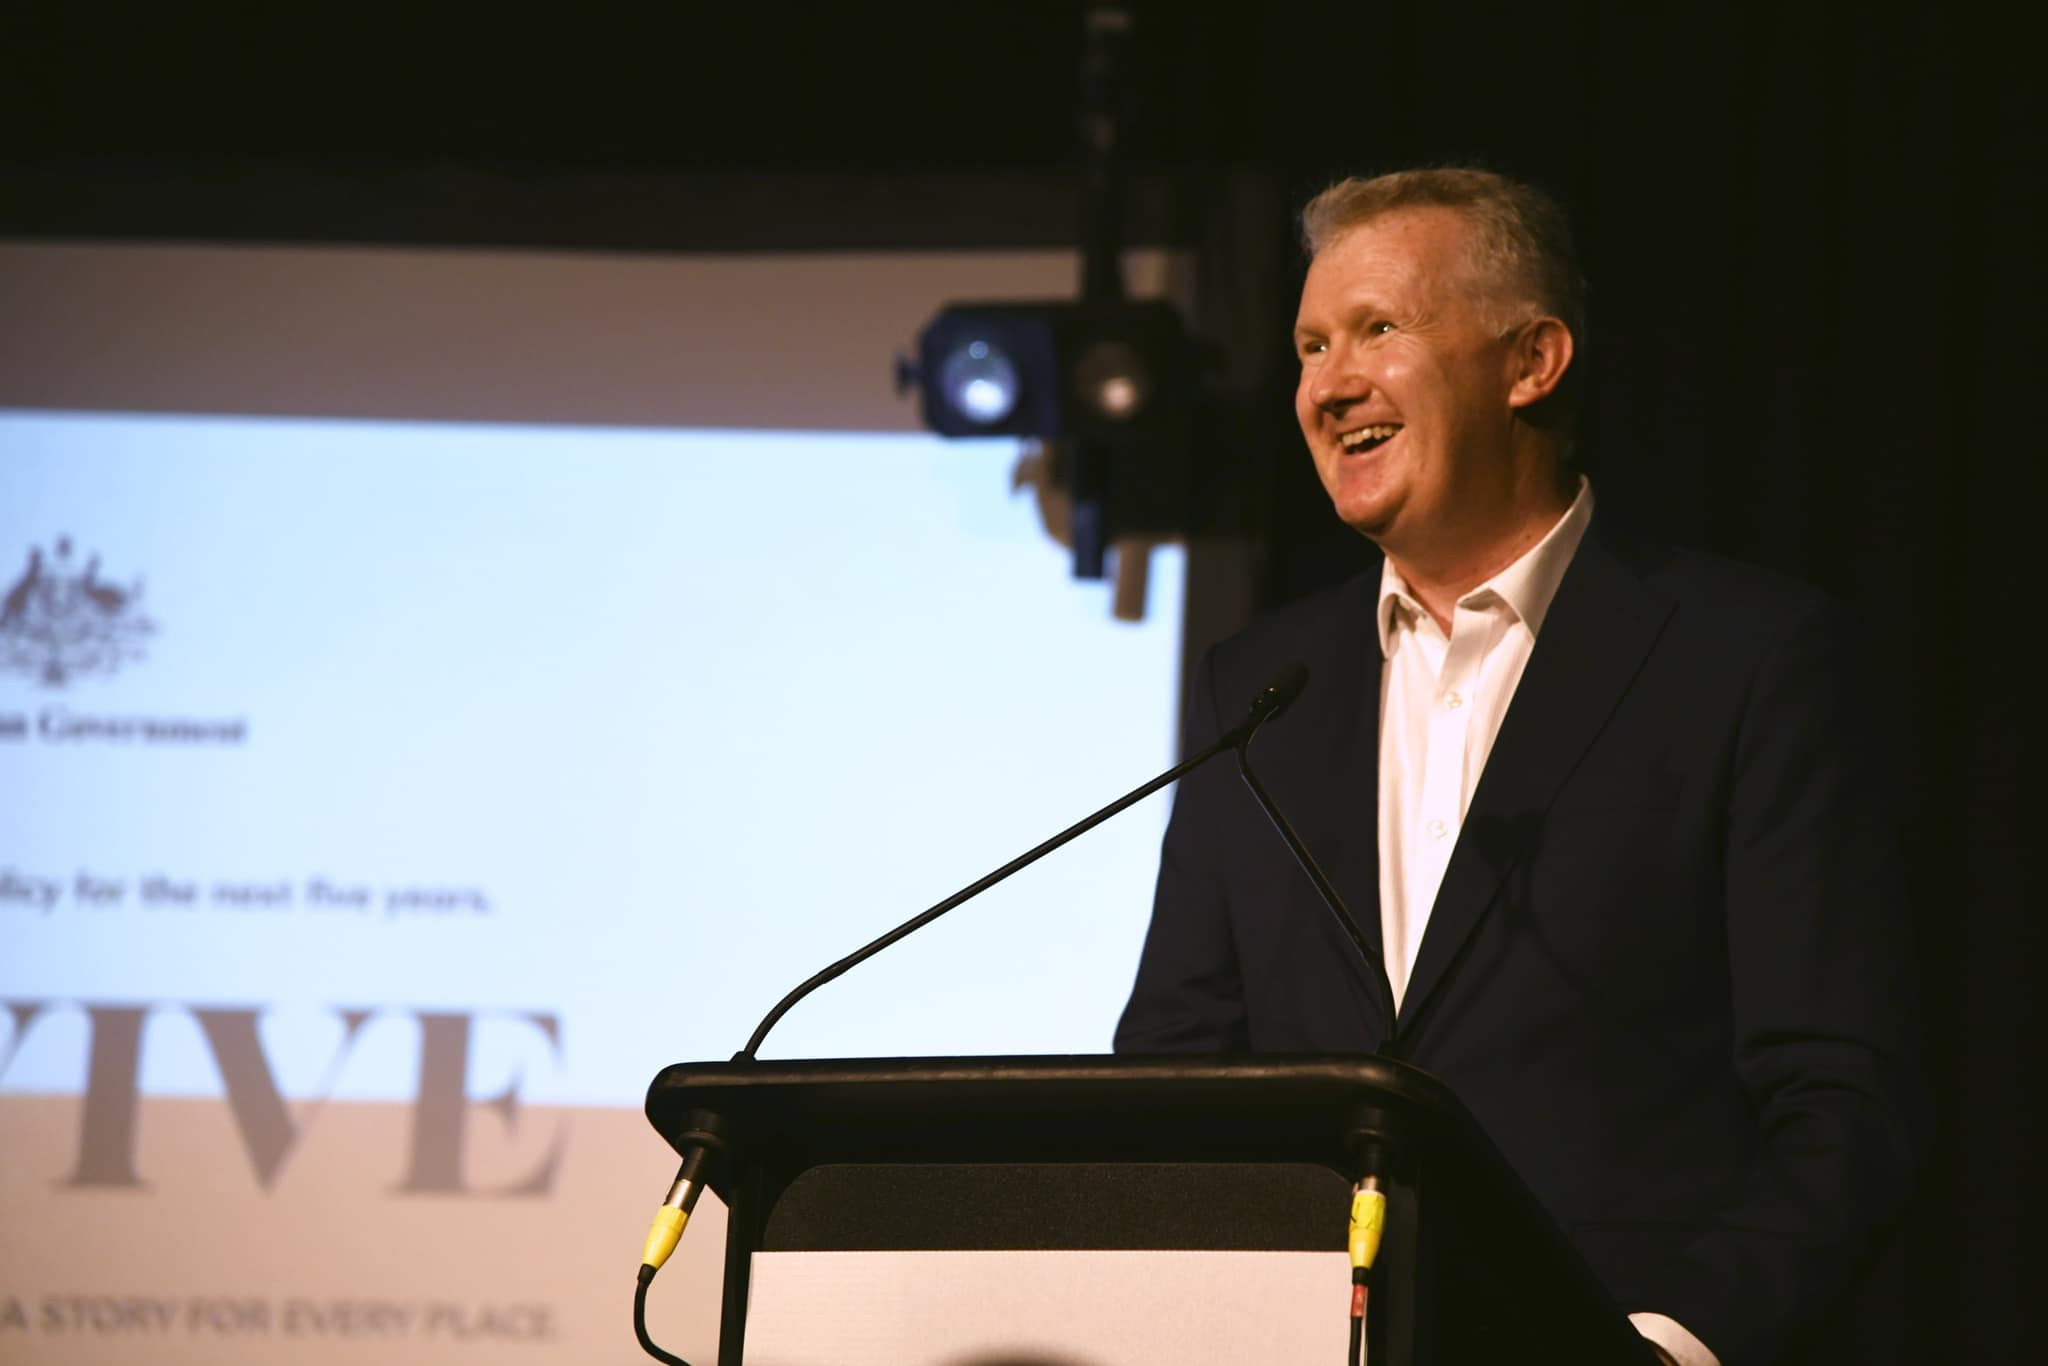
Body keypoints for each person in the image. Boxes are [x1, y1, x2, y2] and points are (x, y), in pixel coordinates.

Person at [1113, 168, 1925, 1366]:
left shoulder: (1746, 659)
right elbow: (1176, 1073)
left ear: (1530, 360)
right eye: (1306, 346)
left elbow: (1844, 1102)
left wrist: (1663, 1343)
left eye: (1376, 330)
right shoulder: (1259, 686)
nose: (1328, 386)